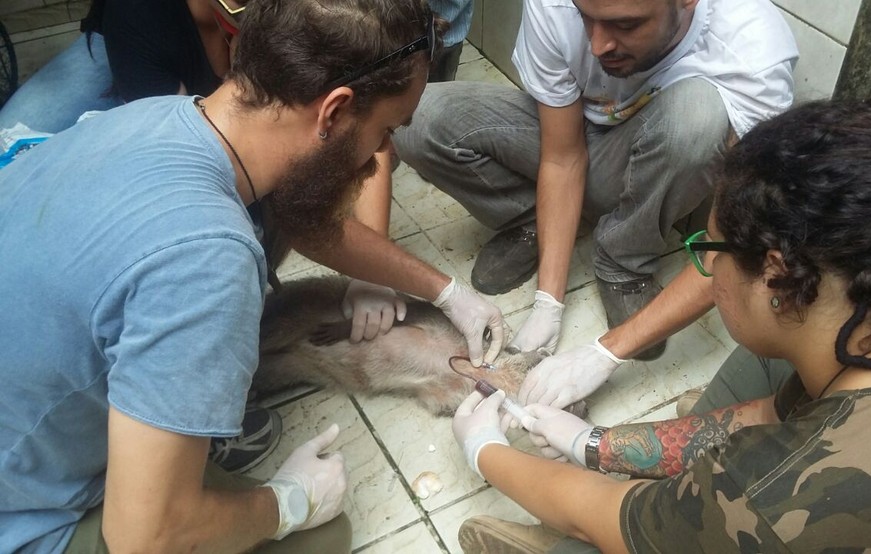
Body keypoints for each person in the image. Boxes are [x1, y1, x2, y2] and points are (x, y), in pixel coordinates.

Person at [0, 0, 503, 551]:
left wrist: (447, 291)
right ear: (333, 113)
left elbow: (300, 216)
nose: (381, 153)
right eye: (385, 130)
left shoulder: (162, 118)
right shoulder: (207, 260)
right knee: (323, 537)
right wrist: (288, 502)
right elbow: (144, 539)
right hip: (22, 510)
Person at [451, 97, 871, 552]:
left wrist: (485, 450)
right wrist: (592, 443)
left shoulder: (772, 495)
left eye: (707, 252)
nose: (702, 270)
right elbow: (768, 415)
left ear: (775, 275)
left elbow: (613, 516)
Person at [387, 0, 798, 364]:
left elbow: (728, 247)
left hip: (654, 159)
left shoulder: (755, 50)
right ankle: (531, 219)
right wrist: (549, 303)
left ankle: (624, 259)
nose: (599, 45)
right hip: (574, 137)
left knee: (699, 115)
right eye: (588, 18)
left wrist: (605, 353)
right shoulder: (556, 5)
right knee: (417, 121)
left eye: (626, 24)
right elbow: (563, 156)